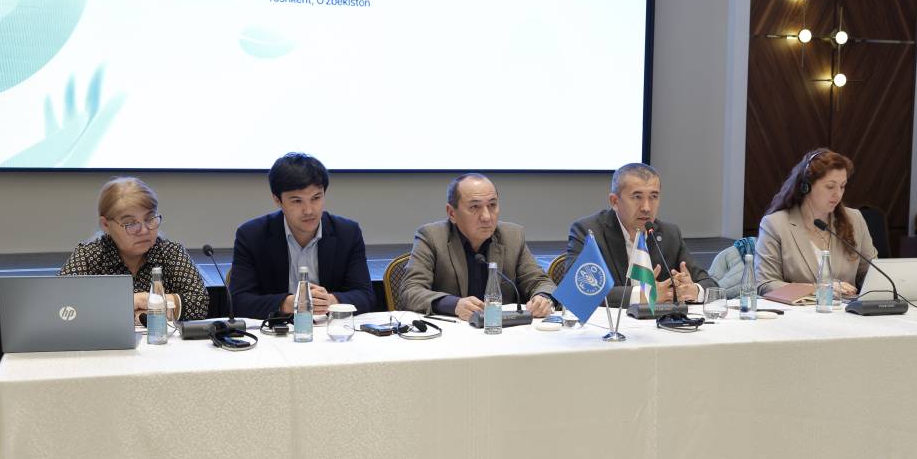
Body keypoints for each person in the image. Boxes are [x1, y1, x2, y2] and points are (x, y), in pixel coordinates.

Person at [230, 153, 375, 320]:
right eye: (297, 201)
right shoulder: (252, 236)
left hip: (328, 329)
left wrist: (331, 301)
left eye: (316, 198)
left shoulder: (347, 233)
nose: (309, 210)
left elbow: (366, 296)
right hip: (276, 330)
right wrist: (287, 304)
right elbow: (238, 302)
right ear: (277, 200)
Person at [399, 174, 556, 321]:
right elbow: (410, 291)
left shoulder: (512, 236)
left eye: (492, 205)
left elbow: (541, 282)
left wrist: (543, 298)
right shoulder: (432, 237)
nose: (486, 217)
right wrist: (454, 305)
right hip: (453, 333)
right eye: (475, 207)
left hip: (502, 331)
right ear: (452, 213)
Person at [566, 163, 717, 307]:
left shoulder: (669, 234)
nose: (646, 207)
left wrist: (693, 290)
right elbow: (577, 291)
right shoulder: (589, 232)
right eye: (637, 197)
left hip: (659, 323)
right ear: (614, 201)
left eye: (653, 197)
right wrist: (642, 296)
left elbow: (710, 285)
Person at [59, 177, 209, 321]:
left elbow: (199, 302)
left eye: (149, 219)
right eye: (131, 223)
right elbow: (61, 305)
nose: (144, 230)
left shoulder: (170, 252)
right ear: (106, 225)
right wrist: (133, 302)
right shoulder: (89, 256)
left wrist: (144, 302)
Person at [755, 148, 876, 296]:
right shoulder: (775, 224)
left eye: (842, 186)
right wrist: (817, 289)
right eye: (830, 186)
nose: (838, 194)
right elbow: (765, 284)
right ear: (806, 187)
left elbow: (872, 274)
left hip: (846, 309)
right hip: (798, 309)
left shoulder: (854, 219)